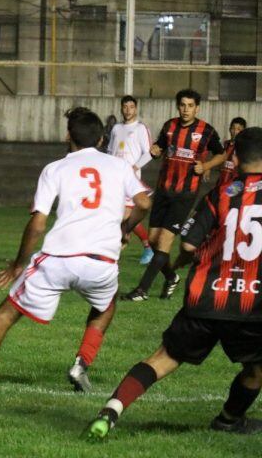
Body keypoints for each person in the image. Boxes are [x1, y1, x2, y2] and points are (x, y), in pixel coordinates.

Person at [0, 108, 151, 395]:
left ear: (67, 136)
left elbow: (37, 224)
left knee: (6, 314)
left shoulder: (55, 168)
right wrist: (125, 229)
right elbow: (144, 204)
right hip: (102, 262)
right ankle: (81, 363)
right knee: (106, 306)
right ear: (101, 139)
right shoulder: (120, 166)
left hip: (58, 260)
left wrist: (18, 265)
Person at [85, 127, 262, 440]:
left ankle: (111, 409)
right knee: (256, 370)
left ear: (234, 157)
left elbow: (190, 246)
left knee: (163, 358)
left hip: (204, 298)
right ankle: (229, 419)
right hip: (251, 306)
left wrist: (183, 264)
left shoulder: (221, 193)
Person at [121, 88, 225, 302]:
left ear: (197, 108)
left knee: (164, 243)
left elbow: (222, 154)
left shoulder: (206, 131)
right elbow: (159, 147)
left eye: (190, 106)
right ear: (178, 106)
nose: (186, 109)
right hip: (163, 190)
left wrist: (206, 165)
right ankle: (171, 277)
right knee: (152, 239)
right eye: (182, 105)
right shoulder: (170, 126)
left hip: (185, 194)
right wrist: (155, 151)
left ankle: (142, 290)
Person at [108, 95, 154, 265]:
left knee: (124, 215)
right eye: (125, 107)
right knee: (124, 217)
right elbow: (111, 151)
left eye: (131, 107)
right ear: (121, 108)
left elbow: (149, 152)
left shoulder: (141, 128)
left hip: (130, 180)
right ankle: (146, 246)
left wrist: (134, 168)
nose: (128, 110)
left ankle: (118, 245)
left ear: (136, 109)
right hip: (115, 178)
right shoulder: (116, 128)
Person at [215, 117, 247, 188]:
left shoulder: (244, 147)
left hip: (234, 185)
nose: (235, 131)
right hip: (221, 182)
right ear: (230, 129)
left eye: (239, 129)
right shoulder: (226, 144)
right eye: (233, 128)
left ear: (243, 132)